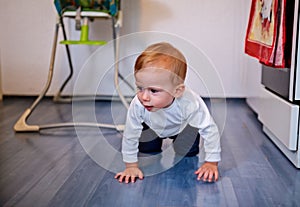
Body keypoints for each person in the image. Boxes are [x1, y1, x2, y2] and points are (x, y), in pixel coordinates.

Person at [115, 42, 221, 183]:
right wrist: (131, 166)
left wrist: (211, 163)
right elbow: (130, 133)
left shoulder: (190, 103)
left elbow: (209, 129)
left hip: (183, 128)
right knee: (148, 150)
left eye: (153, 90)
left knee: (188, 153)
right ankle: (154, 141)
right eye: (140, 88)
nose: (144, 97)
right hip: (152, 126)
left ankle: (182, 143)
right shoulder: (138, 104)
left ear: (177, 91)